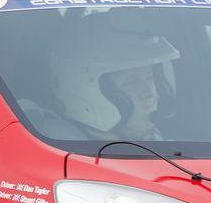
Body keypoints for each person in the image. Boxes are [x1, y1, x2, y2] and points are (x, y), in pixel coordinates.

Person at [49, 25, 180, 142]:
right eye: (130, 82)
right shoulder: (60, 147)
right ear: (88, 92)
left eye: (149, 77)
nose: (149, 92)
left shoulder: (163, 145)